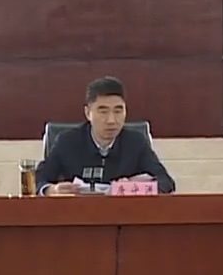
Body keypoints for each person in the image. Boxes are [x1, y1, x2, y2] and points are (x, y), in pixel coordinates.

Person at [36, 76, 175, 194]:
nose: (111, 120)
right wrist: (51, 189)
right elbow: (38, 179)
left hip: (123, 214)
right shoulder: (67, 142)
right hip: (77, 213)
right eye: (103, 111)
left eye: (118, 111)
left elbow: (166, 183)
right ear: (88, 113)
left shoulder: (136, 142)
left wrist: (132, 188)